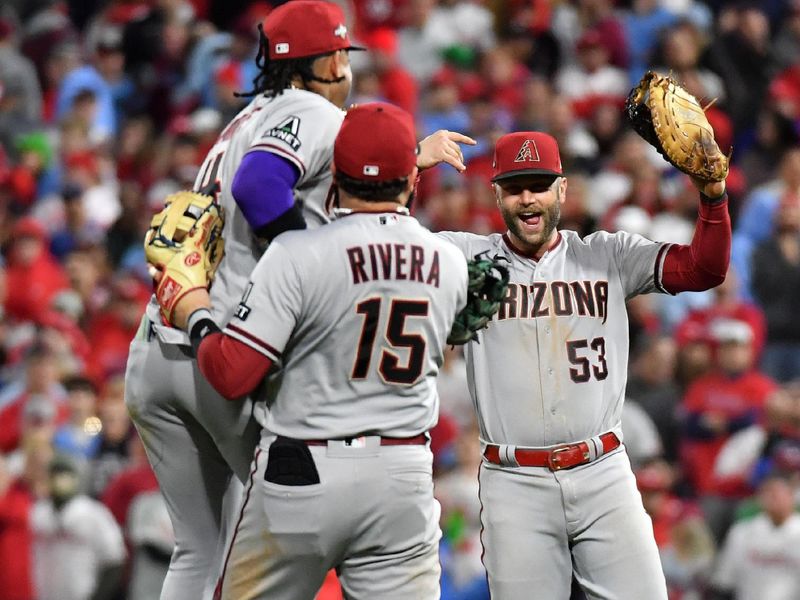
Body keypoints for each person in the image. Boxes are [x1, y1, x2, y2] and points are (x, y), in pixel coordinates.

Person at [123, 2, 473, 598]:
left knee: (201, 546)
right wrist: (314, 259)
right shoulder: (314, 110)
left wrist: (408, 156)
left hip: (159, 345)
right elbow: (260, 186)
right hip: (223, 354)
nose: (345, 64)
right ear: (330, 59)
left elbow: (340, 178)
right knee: (295, 522)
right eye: (340, 53)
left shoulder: (251, 115)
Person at [436, 130, 731, 599]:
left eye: (539, 184)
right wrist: (410, 164)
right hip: (514, 481)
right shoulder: (465, 257)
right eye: (514, 187)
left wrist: (713, 196)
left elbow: (704, 268)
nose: (528, 199)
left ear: (563, 190)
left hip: (603, 473)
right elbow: (380, 238)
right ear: (496, 194)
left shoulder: (607, 254)